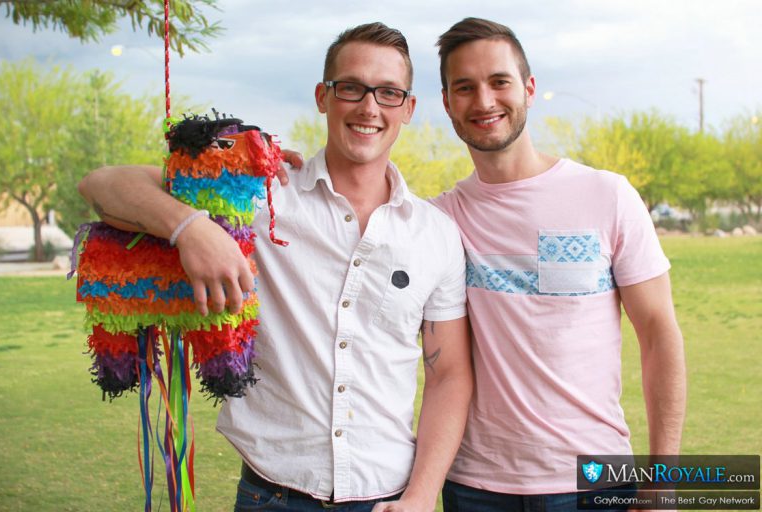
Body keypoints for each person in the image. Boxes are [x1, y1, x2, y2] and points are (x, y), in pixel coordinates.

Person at [78, 22, 473, 512]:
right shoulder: (262, 196)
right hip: (272, 495)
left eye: (388, 92)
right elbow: (101, 184)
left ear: (408, 108)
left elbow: (449, 374)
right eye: (351, 87)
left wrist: (422, 495)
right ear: (323, 97)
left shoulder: (435, 235)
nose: (369, 107)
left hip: (389, 498)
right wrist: (192, 228)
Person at [429, 18, 687, 511]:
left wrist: (664, 475)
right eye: (465, 87)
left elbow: (658, 333)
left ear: (528, 89)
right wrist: (276, 173)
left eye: (499, 81)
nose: (484, 101)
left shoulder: (607, 195)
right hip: (474, 487)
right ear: (446, 102)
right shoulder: (440, 219)